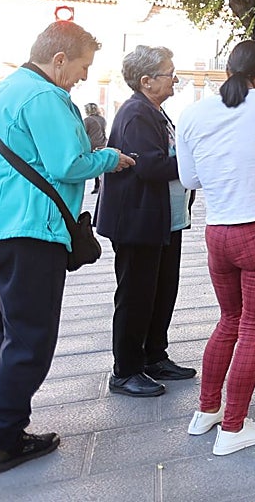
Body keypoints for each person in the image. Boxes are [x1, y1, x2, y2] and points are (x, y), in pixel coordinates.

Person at [0, 21, 133, 476]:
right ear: (58, 59)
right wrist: (111, 157)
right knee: (30, 339)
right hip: (25, 234)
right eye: (82, 67)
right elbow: (67, 164)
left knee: (7, 327)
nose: (83, 78)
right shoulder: (45, 96)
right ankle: (6, 440)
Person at [175, 40, 255, 456]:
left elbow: (190, 179)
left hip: (218, 233)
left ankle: (206, 411)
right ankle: (233, 428)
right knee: (253, 330)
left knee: (229, 320)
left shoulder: (192, 112)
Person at [96, 46, 194, 398]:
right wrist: (196, 161)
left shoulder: (155, 110)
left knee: (162, 292)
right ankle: (125, 370)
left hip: (164, 221)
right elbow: (150, 166)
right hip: (138, 222)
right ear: (146, 80)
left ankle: (154, 356)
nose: (175, 79)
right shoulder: (137, 113)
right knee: (136, 296)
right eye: (170, 73)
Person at [83, 103, 106, 193]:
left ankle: (97, 185)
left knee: (96, 164)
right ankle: (101, 185)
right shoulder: (102, 119)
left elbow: (83, 133)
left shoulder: (87, 120)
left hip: (93, 144)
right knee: (102, 164)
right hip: (103, 143)